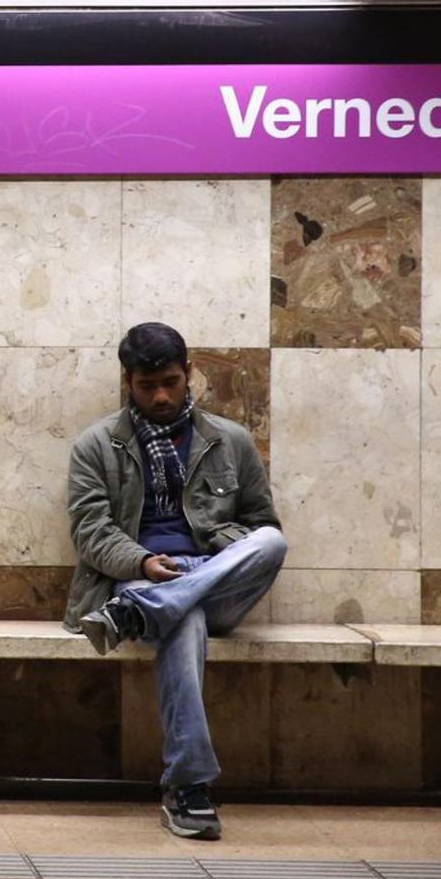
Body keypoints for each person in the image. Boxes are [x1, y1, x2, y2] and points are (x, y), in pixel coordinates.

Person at [62, 322, 285, 840]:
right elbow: (91, 532)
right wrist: (142, 565)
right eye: (147, 386)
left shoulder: (229, 441)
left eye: (171, 382)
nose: (161, 396)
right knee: (182, 621)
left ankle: (149, 609)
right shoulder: (96, 445)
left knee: (273, 543)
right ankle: (188, 787)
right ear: (127, 382)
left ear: (189, 375)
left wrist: (206, 567)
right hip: (138, 579)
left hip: (213, 580)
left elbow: (261, 524)